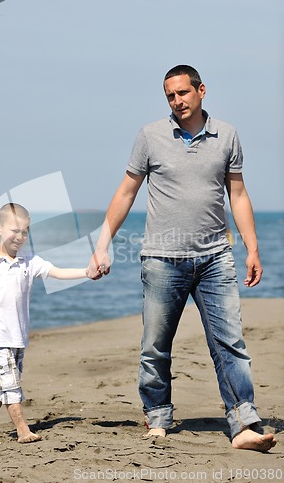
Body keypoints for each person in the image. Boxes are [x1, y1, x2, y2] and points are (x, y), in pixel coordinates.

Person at [87, 65, 277, 451]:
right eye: (170, 96)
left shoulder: (227, 136)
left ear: (201, 90)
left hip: (215, 257)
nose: (177, 101)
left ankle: (243, 423)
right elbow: (127, 192)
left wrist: (252, 248)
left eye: (183, 93)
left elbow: (237, 195)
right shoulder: (150, 136)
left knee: (229, 342)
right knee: (156, 344)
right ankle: (157, 416)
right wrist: (102, 243)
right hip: (162, 259)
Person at [0, 203, 89, 444]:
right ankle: (22, 429)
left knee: (4, 383)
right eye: (14, 230)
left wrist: (86, 272)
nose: (19, 236)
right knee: (10, 383)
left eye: (25, 231)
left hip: (19, 335)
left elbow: (57, 272)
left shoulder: (30, 261)